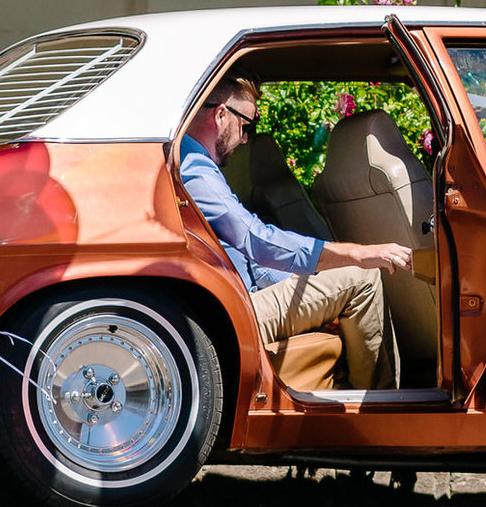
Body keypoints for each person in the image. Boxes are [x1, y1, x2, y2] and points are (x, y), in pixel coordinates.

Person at [176, 77, 412, 389]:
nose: (246, 139)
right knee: (362, 277)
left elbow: (246, 257)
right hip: (233, 309)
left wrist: (315, 288)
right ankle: (377, 408)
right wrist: (356, 254)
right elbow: (255, 240)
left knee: (346, 275)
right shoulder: (194, 169)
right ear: (221, 115)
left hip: (235, 299)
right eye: (247, 125)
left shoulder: (194, 163)